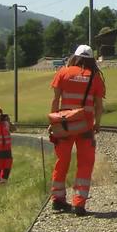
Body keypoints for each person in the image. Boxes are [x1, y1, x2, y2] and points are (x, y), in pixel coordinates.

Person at [49, 45, 105, 216]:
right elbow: (99, 106)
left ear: (75, 56)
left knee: (62, 161)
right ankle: (78, 204)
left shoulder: (63, 73)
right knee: (85, 163)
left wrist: (53, 122)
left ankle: (57, 200)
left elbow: (55, 100)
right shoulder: (95, 77)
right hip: (85, 127)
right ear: (91, 59)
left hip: (64, 126)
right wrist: (97, 123)